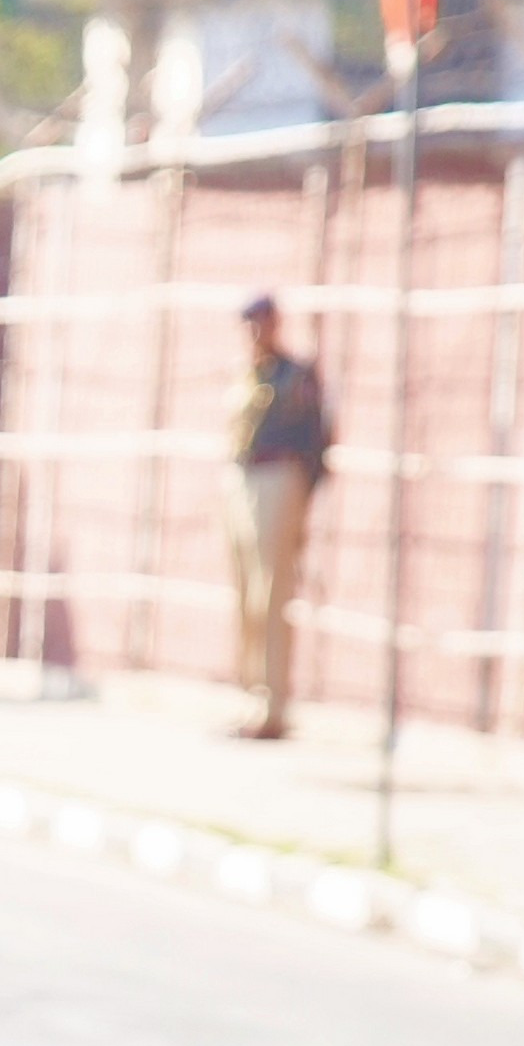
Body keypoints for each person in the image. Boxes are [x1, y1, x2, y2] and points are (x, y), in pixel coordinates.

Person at [227, 291, 333, 741]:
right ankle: (249, 695)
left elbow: (318, 440)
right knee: (245, 594)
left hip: (278, 478)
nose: (255, 332)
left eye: (262, 322)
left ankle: (272, 706)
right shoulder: (247, 376)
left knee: (271, 594)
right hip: (243, 479)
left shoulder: (295, 376)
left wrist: (301, 499)